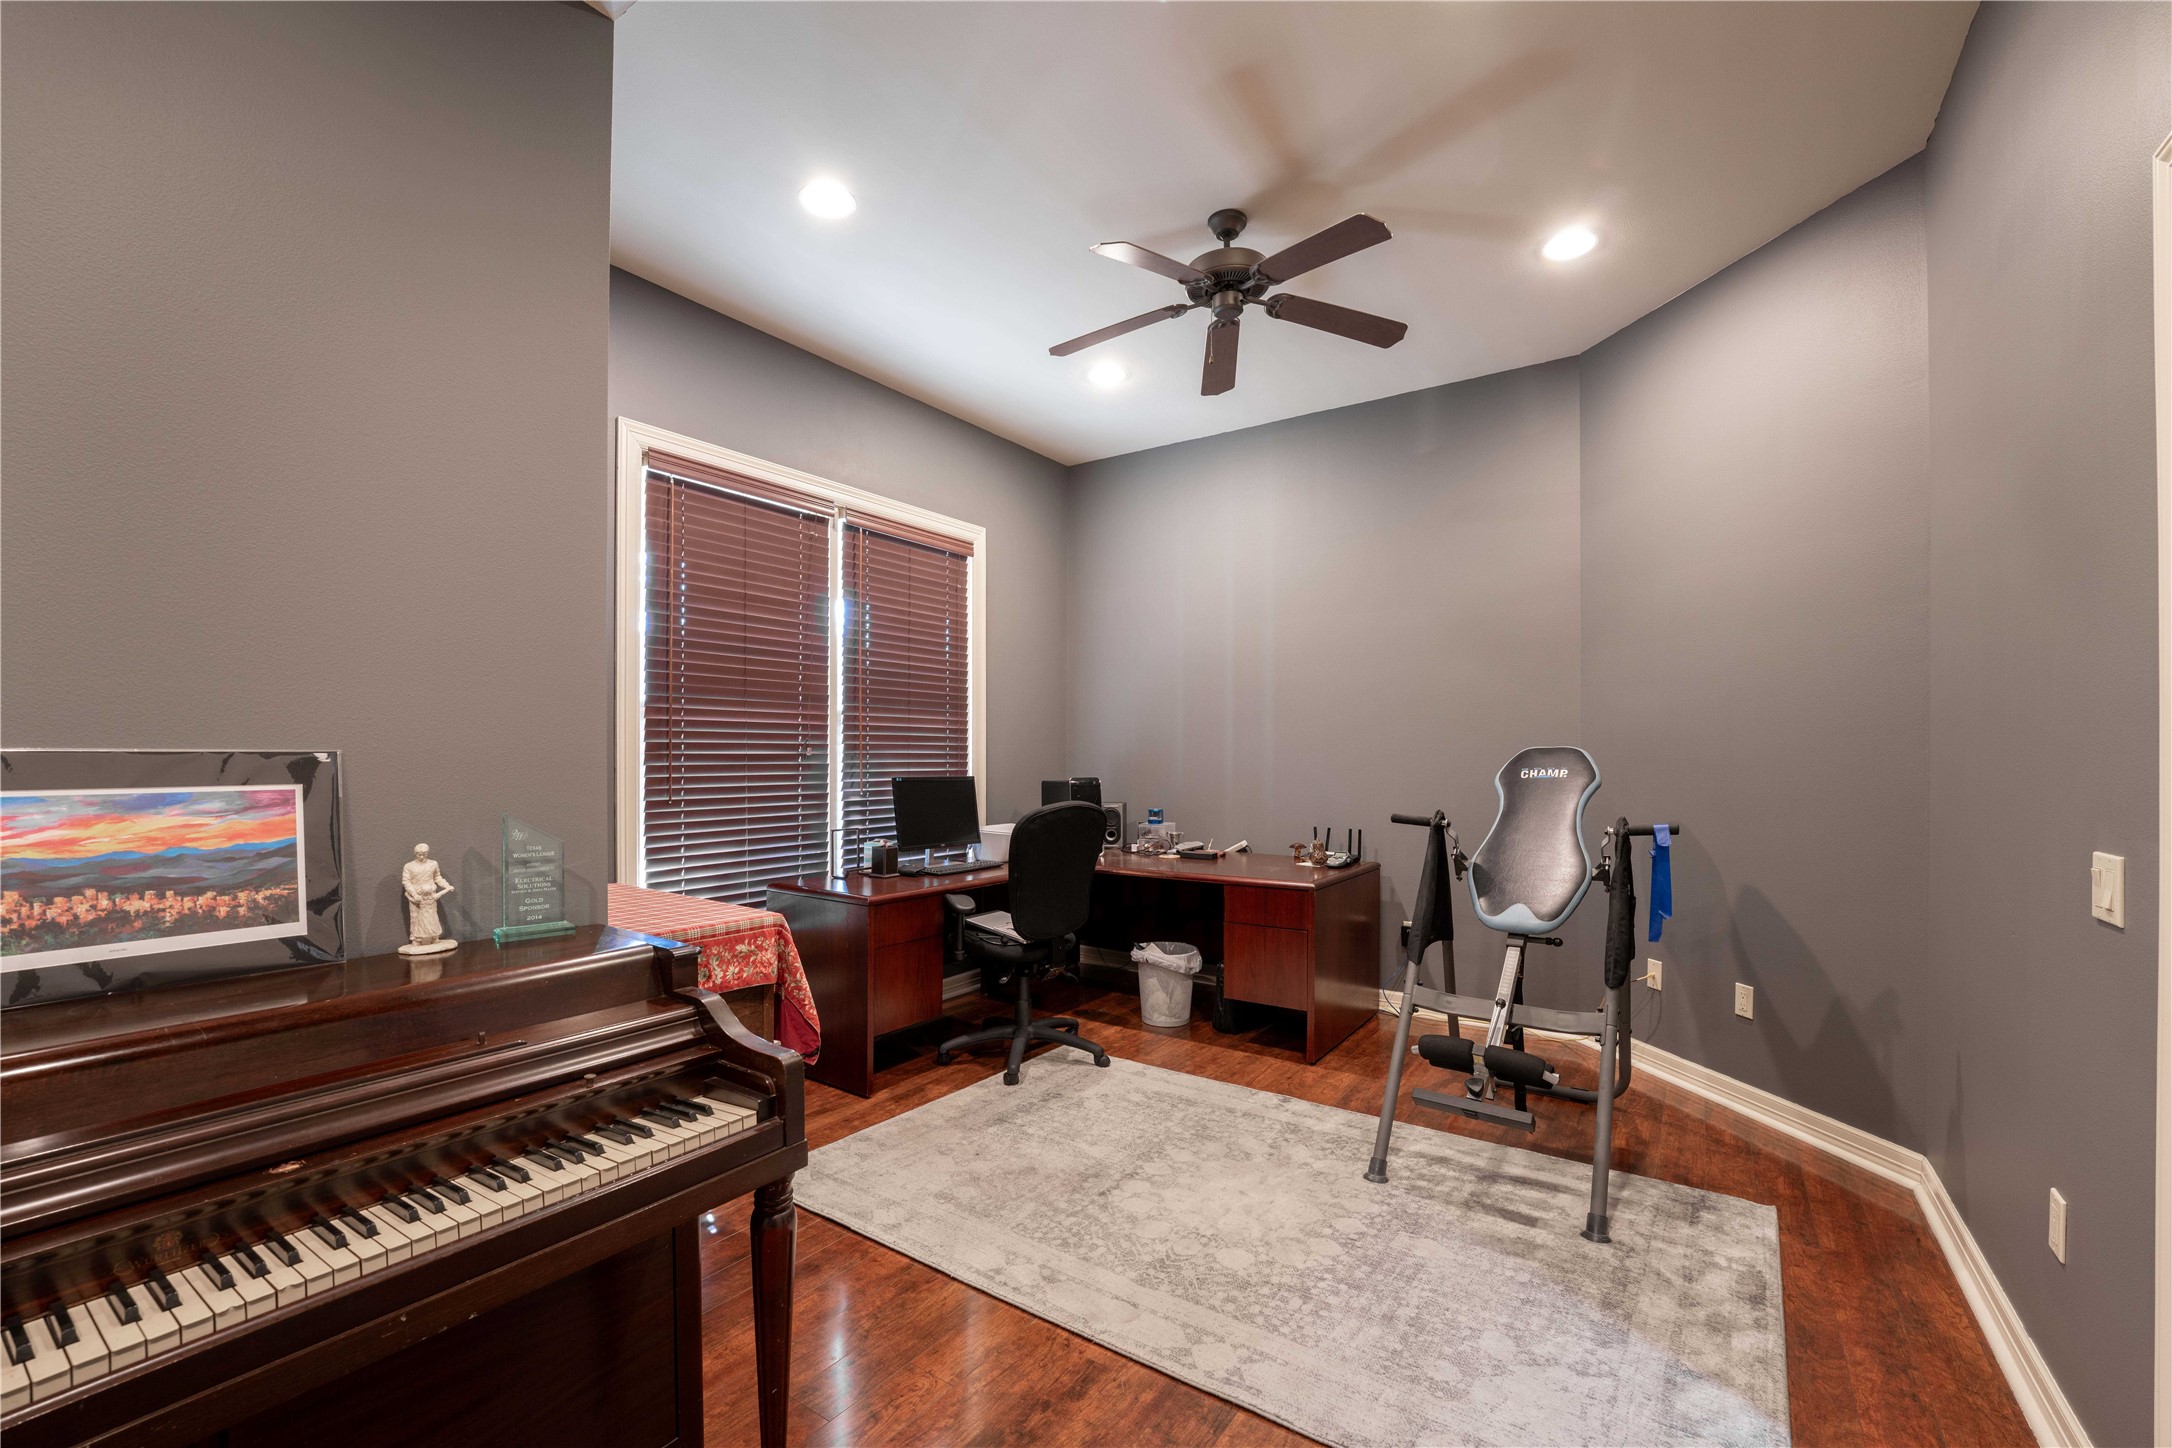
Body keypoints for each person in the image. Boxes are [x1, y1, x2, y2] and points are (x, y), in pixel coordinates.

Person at [400, 842, 456, 954]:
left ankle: (434, 937)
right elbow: (406, 881)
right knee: (415, 916)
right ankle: (416, 939)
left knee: (432, 916)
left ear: (427, 853)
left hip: (430, 894)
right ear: (415, 854)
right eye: (419, 854)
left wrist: (446, 886)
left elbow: (437, 877)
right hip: (416, 894)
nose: (422, 856)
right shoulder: (409, 866)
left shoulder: (433, 864)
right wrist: (413, 894)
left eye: (424, 854)